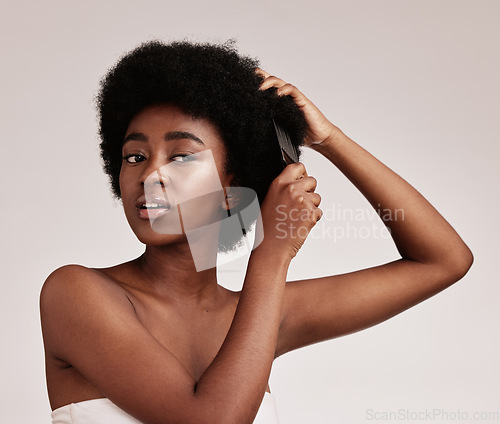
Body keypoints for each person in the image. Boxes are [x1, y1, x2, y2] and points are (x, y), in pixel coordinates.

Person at [40, 40, 473, 424]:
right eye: (134, 157)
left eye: (182, 157)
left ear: (234, 187)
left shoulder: (260, 315)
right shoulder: (75, 293)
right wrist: (273, 251)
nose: (150, 174)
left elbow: (444, 259)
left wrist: (330, 140)